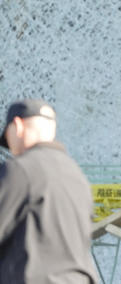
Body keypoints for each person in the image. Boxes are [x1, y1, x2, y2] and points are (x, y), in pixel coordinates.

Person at [0, 99, 98, 283]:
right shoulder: (76, 176)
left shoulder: (20, 170)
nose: (10, 148)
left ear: (18, 126)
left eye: (7, 138)